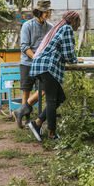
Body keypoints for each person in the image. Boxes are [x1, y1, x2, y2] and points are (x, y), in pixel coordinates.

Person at [27, 11, 80, 141]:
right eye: (79, 22)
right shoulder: (67, 28)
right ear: (74, 21)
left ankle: (37, 123)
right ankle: (51, 134)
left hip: (41, 66)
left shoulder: (59, 27)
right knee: (51, 100)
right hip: (47, 67)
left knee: (60, 97)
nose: (79, 25)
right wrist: (76, 60)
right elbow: (68, 53)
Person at [13, 0, 53, 128]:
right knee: (26, 90)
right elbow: (24, 46)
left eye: (49, 11)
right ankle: (25, 119)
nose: (47, 14)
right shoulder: (27, 26)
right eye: (45, 11)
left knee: (42, 90)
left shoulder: (50, 27)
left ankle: (20, 112)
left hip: (42, 65)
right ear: (38, 12)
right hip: (27, 63)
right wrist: (36, 57)